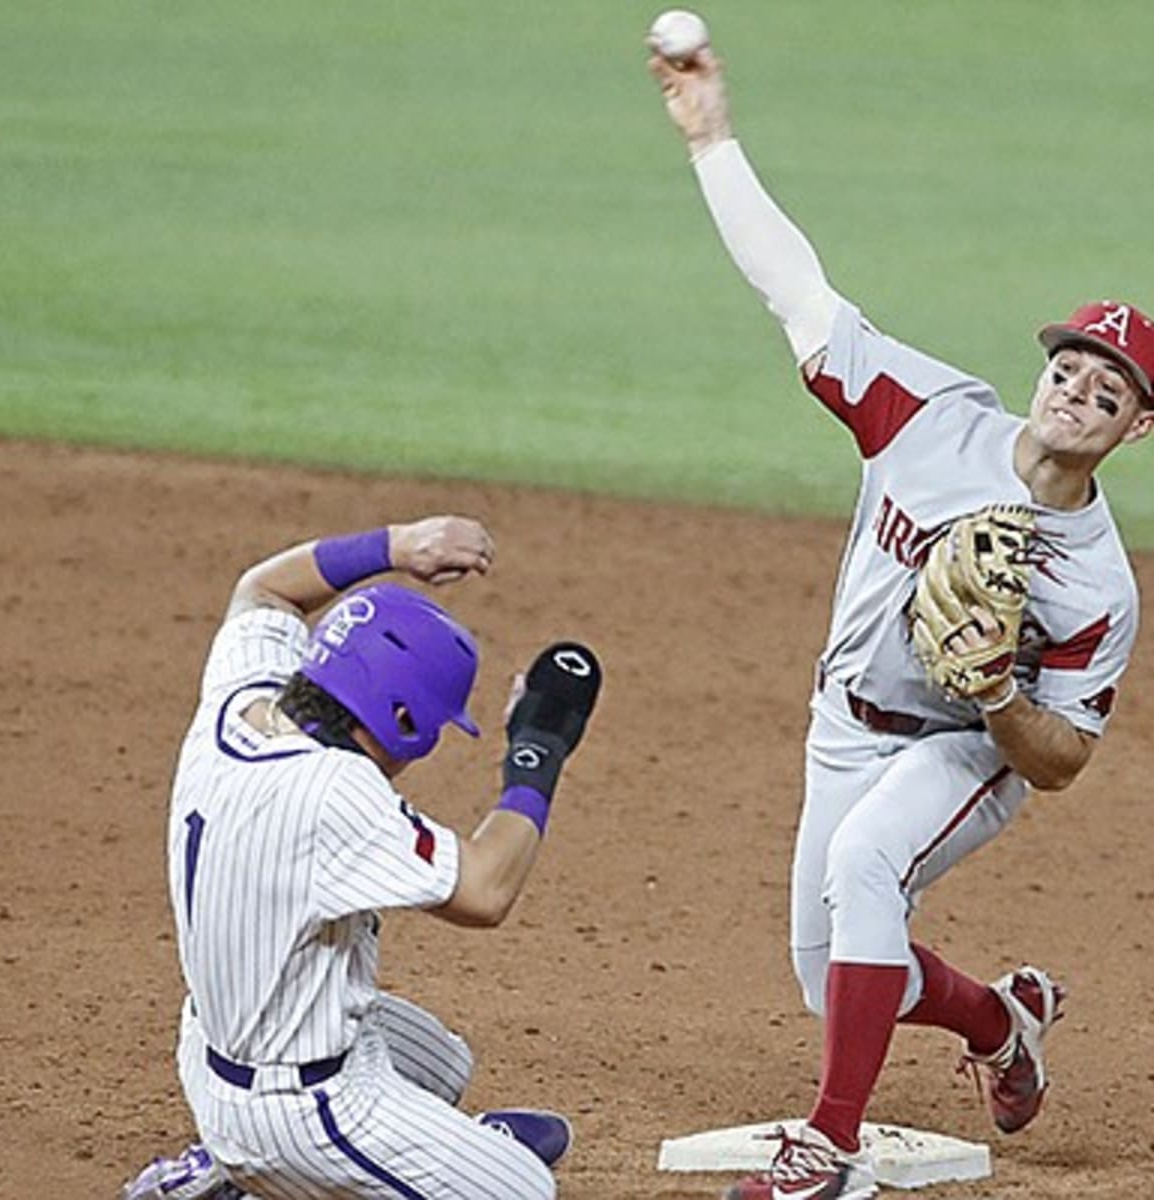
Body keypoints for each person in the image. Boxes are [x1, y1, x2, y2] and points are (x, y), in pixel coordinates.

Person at [648, 38, 1154, 1200]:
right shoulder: (924, 413)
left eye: (1109, 392)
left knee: (871, 863)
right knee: (828, 974)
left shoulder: (1096, 585)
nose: (1079, 393)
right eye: (1072, 371)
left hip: (965, 747)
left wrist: (993, 696)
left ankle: (827, 1150)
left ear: (1134, 430)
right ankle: (1002, 1021)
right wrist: (710, 137)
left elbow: (1067, 758)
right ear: (1046, 375)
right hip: (844, 718)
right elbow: (795, 288)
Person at [119, 514, 602, 1200]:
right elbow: (486, 889)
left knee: (440, 1065)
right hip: (294, 1113)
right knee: (522, 1189)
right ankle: (247, 1175)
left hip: (215, 1044)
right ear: (400, 720)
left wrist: (398, 547)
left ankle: (232, 1167)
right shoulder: (331, 792)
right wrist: (539, 745)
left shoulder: (241, 700)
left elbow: (265, 591)